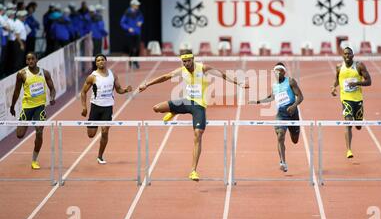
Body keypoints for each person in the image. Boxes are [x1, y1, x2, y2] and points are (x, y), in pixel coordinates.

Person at [138, 48, 249, 181]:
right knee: (156, 108)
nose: (186, 64)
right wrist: (147, 84)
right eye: (183, 61)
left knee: (198, 134)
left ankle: (193, 171)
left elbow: (222, 75)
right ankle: (174, 111)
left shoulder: (203, 68)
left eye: (188, 61)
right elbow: (164, 77)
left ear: (193, 59)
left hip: (199, 106)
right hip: (185, 102)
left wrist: (239, 83)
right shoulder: (181, 71)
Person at [248, 62, 304, 172]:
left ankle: (293, 135)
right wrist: (257, 102)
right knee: (280, 136)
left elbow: (301, 97)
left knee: (295, 140)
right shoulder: (274, 86)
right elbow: (271, 97)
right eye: (275, 72)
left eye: (279, 71)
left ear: (284, 72)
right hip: (281, 114)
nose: (277, 73)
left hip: (292, 113)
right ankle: (283, 162)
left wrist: (293, 106)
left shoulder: (290, 81)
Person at [80, 54, 133, 164]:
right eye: (98, 60)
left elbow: (118, 90)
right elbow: (83, 92)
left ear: (106, 61)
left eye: (102, 60)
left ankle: (100, 156)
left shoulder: (113, 75)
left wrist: (125, 90)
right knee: (91, 135)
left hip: (108, 108)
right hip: (95, 107)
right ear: (96, 63)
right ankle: (93, 124)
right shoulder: (92, 76)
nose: (100, 62)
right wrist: (84, 107)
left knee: (104, 132)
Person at [10, 52, 56, 170]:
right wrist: (12, 106)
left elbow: (52, 88)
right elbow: (16, 91)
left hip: (40, 106)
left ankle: (34, 160)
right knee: (19, 135)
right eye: (28, 59)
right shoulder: (22, 74)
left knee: (39, 131)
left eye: (32, 59)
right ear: (26, 61)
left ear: (37, 60)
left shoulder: (44, 73)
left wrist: (52, 98)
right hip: (27, 107)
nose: (30, 61)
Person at [331, 46, 372, 159]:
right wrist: (333, 87)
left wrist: (357, 83)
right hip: (346, 99)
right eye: (345, 54)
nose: (347, 56)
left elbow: (369, 81)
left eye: (349, 54)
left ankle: (358, 122)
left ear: (353, 56)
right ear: (343, 56)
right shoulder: (339, 67)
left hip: (358, 99)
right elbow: (337, 80)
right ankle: (349, 149)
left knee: (358, 125)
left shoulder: (359, 66)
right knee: (348, 123)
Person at [120, 0, 143, 69]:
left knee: (138, 49)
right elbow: (122, 23)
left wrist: (141, 22)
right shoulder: (127, 13)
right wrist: (128, 28)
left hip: (137, 32)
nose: (138, 6)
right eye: (136, 5)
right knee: (131, 49)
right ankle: (131, 63)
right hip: (130, 34)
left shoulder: (138, 12)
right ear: (132, 5)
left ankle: (136, 62)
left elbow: (142, 18)